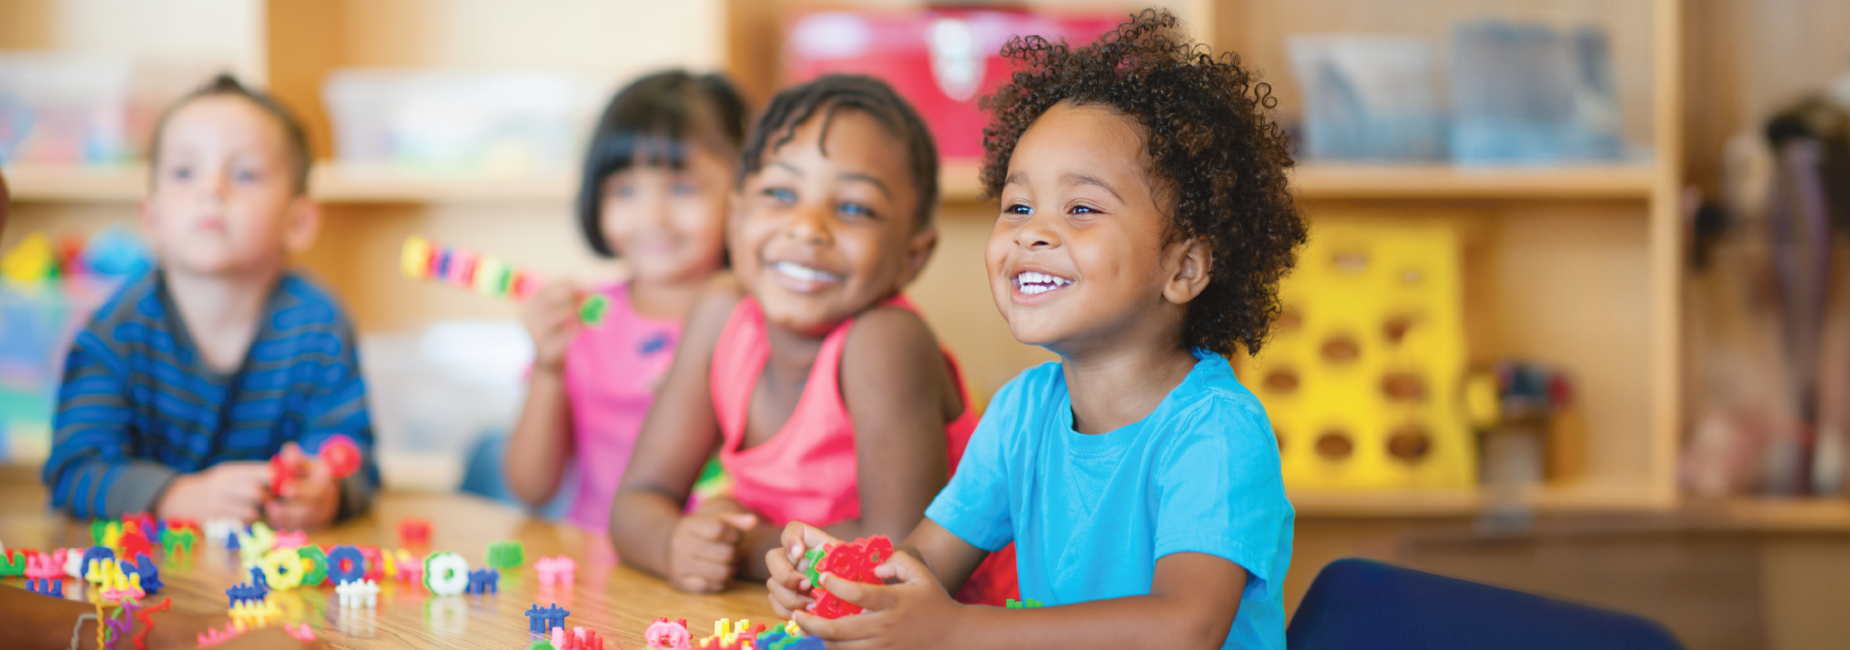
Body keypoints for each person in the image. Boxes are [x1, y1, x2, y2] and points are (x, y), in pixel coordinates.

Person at [766, 10, 1306, 649]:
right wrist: (849, 579)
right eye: (1017, 207)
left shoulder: (1216, 432)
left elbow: (1183, 627)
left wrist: (955, 629)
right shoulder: (1022, 412)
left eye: (1081, 209)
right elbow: (926, 566)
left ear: (1184, 266)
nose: (1031, 231)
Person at [611, 74, 1012, 603]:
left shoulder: (885, 341)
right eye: (779, 193)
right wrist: (674, 542)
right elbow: (637, 502)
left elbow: (893, 555)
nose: (806, 228)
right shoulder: (721, 313)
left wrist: (739, 547)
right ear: (736, 219)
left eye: (853, 208)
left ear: (912, 255)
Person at [42, 74, 375, 528]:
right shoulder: (114, 330)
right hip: (139, 579)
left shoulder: (318, 324)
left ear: (298, 221)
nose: (212, 189)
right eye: (184, 172)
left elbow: (355, 456)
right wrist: (178, 497)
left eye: (244, 173)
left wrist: (327, 489)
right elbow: (73, 470)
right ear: (152, 217)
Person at [501, 70, 748, 531]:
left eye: (681, 188)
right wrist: (549, 366)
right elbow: (532, 488)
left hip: (715, 567)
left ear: (741, 196)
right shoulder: (583, 319)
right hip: (601, 572)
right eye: (626, 190)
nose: (652, 217)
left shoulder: (756, 322)